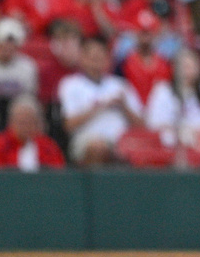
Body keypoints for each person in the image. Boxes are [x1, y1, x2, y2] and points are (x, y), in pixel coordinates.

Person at [58, 36, 143, 165]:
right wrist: (101, 106)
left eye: (100, 57)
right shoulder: (71, 84)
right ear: (82, 58)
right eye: (92, 57)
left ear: (108, 60)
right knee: (98, 147)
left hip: (123, 140)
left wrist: (124, 106)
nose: (96, 61)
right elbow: (69, 125)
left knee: (139, 150)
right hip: (87, 139)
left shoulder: (121, 85)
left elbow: (142, 126)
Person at [146, 48, 200, 137]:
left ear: (199, 68)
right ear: (174, 68)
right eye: (184, 67)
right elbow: (154, 123)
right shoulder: (163, 91)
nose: (187, 71)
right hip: (172, 142)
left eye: (191, 66)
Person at [0, 95, 66, 171]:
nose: (26, 127)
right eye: (22, 122)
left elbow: (57, 173)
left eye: (30, 122)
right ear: (11, 122)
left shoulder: (48, 146)